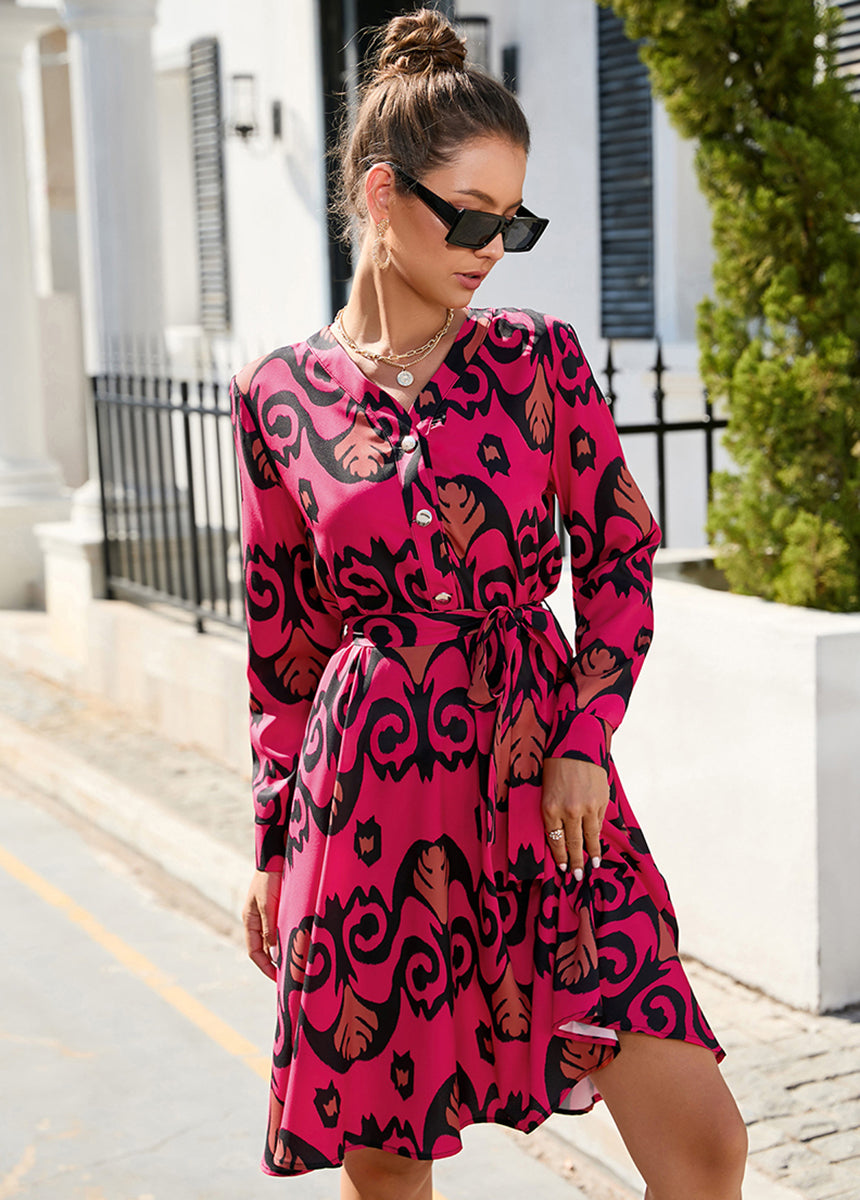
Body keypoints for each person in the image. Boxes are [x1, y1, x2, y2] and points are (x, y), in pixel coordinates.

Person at [230, 9, 747, 1199]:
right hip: (370, 797)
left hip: (542, 779)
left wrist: (584, 739)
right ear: (381, 192)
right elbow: (283, 645)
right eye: (469, 215)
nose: (492, 248)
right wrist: (269, 846)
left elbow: (619, 558)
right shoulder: (276, 395)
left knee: (703, 1143)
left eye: (513, 221)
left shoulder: (537, 360)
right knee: (387, 1155)